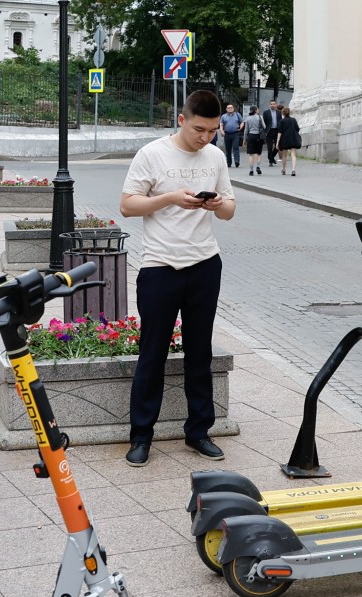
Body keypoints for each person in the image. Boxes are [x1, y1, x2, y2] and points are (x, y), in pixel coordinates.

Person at [120, 90, 237, 467]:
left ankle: (199, 431)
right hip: (160, 266)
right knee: (152, 352)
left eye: (213, 131)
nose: (205, 138)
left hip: (205, 263)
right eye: (200, 129)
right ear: (181, 118)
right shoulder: (152, 153)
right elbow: (127, 205)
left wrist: (219, 204)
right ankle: (141, 435)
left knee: (199, 350)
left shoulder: (216, 156)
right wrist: (170, 198)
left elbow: (230, 210)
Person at [276, 105, 300, 176]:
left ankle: (284, 169)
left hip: (284, 139)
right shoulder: (294, 120)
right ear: (289, 112)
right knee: (293, 154)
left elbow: (279, 132)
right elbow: (297, 129)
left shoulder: (282, 121)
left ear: (283, 113)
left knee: (284, 155)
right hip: (293, 138)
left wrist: (277, 142)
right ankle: (293, 170)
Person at [219, 103, 244, 168]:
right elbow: (221, 124)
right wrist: (221, 131)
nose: (230, 109)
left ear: (233, 108)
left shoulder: (237, 115)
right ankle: (229, 162)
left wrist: (240, 127)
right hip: (227, 133)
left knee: (236, 147)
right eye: (228, 108)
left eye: (231, 107)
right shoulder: (223, 116)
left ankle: (237, 161)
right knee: (228, 149)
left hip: (235, 133)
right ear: (226, 109)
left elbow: (242, 122)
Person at [243, 105, 265, 175]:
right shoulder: (260, 117)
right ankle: (258, 166)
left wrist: (244, 139)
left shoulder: (248, 118)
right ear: (255, 110)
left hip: (251, 136)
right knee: (259, 153)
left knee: (251, 154)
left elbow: (246, 130)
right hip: (259, 136)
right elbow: (264, 126)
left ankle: (251, 170)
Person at [262, 99, 281, 166]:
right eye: (271, 104)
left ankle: (272, 157)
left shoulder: (278, 112)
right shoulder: (266, 112)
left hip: (277, 130)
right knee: (269, 146)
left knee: (277, 145)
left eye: (273, 104)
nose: (272, 105)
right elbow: (264, 122)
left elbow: (280, 121)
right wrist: (265, 131)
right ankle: (270, 161)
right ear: (269, 105)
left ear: (276, 105)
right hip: (269, 131)